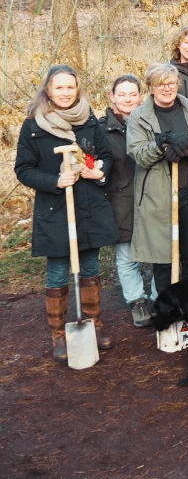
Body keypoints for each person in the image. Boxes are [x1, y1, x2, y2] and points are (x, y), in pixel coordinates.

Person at [15, 65, 118, 359]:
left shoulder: (88, 120)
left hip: (88, 207)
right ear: (48, 90)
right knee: (58, 271)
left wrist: (98, 171)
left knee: (90, 268)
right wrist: (55, 181)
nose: (65, 93)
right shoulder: (33, 126)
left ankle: (94, 326)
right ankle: (59, 335)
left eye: (70, 87)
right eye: (59, 87)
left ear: (77, 89)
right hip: (55, 209)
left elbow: (105, 155)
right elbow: (23, 169)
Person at [129, 63, 188, 295]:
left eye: (171, 83)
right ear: (151, 87)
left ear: (178, 84)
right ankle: (168, 308)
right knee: (164, 261)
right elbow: (139, 155)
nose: (166, 88)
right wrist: (159, 146)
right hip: (158, 198)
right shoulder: (139, 117)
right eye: (160, 84)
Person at [102, 74, 153, 327]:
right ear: (112, 97)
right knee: (126, 254)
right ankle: (137, 300)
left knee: (159, 251)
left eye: (133, 94)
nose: (127, 99)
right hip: (120, 198)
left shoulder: (151, 121)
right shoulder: (102, 129)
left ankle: (159, 297)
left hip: (152, 196)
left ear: (141, 96)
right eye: (121, 94)